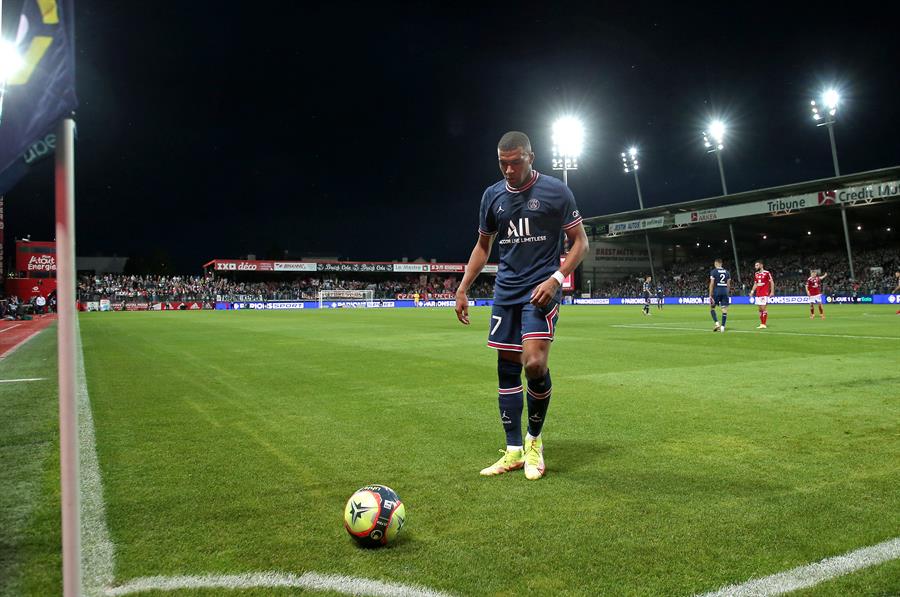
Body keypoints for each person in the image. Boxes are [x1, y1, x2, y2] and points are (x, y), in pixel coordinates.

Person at [455, 130, 588, 481]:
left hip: (540, 290)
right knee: (507, 368)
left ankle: (534, 442)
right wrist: (463, 287)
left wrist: (556, 279)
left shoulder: (557, 191)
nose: (509, 170)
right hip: (505, 292)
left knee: (534, 364)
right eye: (503, 163)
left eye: (515, 162)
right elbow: (483, 246)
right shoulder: (492, 196)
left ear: (532, 157)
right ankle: (513, 450)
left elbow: (580, 243)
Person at [749, 260, 774, 329]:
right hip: (758, 293)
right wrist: (752, 291)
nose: (755, 267)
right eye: (755, 265)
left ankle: (763, 324)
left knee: (763, 308)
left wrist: (772, 292)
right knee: (760, 309)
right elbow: (755, 284)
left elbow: (772, 282)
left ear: (761, 265)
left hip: (764, 293)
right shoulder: (756, 274)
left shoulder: (767, 273)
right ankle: (761, 323)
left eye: (757, 265)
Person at [708, 258, 730, 332]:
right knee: (724, 310)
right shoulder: (727, 272)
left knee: (712, 308)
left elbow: (712, 283)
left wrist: (710, 295)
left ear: (716, 263)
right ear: (721, 264)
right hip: (724, 291)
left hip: (717, 291)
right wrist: (727, 292)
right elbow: (728, 284)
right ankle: (723, 327)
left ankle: (717, 324)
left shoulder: (714, 272)